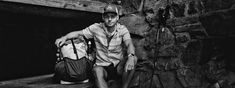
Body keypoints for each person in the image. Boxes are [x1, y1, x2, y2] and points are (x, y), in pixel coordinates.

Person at [55, 4, 137, 88]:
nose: (109, 19)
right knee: (97, 70)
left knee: (133, 59)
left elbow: (129, 43)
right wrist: (64, 37)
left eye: (112, 16)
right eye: (107, 16)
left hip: (117, 66)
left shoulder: (122, 29)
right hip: (102, 66)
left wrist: (131, 56)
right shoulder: (96, 28)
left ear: (117, 18)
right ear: (103, 17)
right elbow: (78, 33)